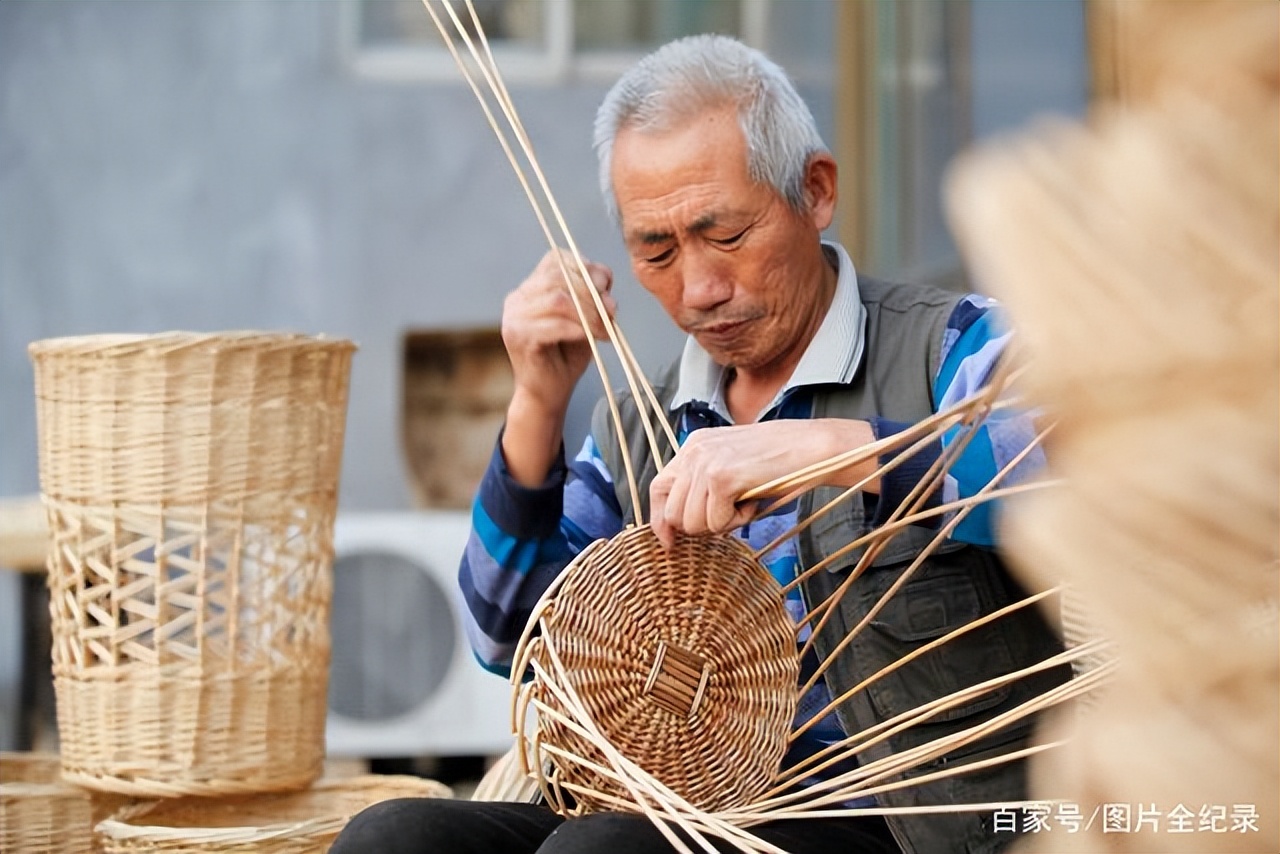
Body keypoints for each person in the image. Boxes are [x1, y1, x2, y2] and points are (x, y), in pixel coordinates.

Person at [333, 34, 1066, 854]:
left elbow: (1078, 474)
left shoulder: (948, 348)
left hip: (908, 819)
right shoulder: (642, 424)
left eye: (725, 236)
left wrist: (829, 448)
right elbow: (510, 641)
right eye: (656, 251)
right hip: (677, 807)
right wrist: (538, 397)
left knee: (604, 852)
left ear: (815, 191)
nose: (699, 288)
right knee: (396, 836)